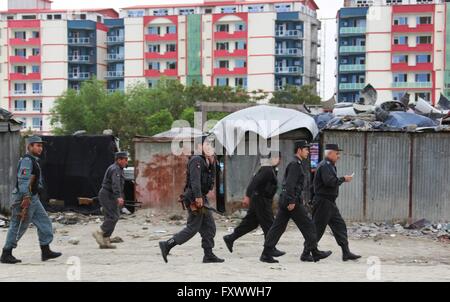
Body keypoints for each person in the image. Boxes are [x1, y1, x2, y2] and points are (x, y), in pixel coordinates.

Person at [260, 140, 332, 263]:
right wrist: (292, 201)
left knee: (278, 227)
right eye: (306, 149)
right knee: (309, 225)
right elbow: (289, 185)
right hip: (291, 202)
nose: (308, 152)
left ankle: (266, 253)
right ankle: (314, 252)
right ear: (299, 150)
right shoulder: (295, 164)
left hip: (288, 200)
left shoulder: (297, 164)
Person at [159, 136, 224, 264]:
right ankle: (167, 244)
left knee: (209, 226)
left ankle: (208, 254)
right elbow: (195, 181)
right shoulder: (196, 160)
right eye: (207, 144)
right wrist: (198, 197)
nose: (210, 147)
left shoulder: (208, 161)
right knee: (193, 227)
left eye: (211, 145)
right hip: (194, 197)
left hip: (201, 197)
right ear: (199, 147)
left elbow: (211, 180)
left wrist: (212, 163)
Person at [1, 136, 62, 264]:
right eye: (37, 145)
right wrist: (27, 197)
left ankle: (45, 251)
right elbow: (23, 181)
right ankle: (6, 253)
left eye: (41, 146)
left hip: (33, 198)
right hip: (24, 198)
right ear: (29, 146)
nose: (40, 148)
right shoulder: (27, 160)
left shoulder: (34, 160)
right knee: (18, 226)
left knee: (44, 222)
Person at [223, 152, 285, 257]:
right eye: (274, 157)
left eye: (277, 158)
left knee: (250, 223)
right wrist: (247, 196)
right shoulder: (267, 169)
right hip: (260, 200)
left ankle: (230, 238)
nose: (276, 160)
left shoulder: (272, 170)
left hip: (261, 200)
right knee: (269, 224)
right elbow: (254, 182)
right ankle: (269, 249)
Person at [312, 144, 361, 262]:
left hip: (330, 203)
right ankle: (306, 252)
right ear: (329, 154)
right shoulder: (325, 166)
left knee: (340, 226)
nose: (338, 156)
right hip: (323, 202)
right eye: (336, 153)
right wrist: (343, 179)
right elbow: (329, 182)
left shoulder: (330, 166)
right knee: (317, 228)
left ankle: (346, 252)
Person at [92, 151, 128, 249]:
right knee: (113, 216)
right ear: (119, 160)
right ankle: (99, 232)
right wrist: (118, 196)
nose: (126, 162)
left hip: (110, 195)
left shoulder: (119, 169)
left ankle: (105, 241)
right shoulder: (115, 169)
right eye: (125, 159)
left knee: (112, 216)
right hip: (107, 194)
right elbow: (115, 184)